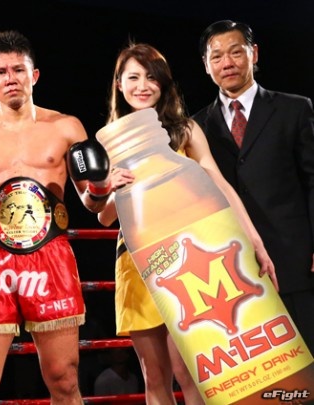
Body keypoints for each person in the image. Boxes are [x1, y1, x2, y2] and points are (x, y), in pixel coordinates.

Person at [97, 43, 276, 405]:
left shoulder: (184, 130)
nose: (143, 86)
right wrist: (111, 188)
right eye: (133, 77)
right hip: (137, 262)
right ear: (119, 83)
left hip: (188, 261)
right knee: (154, 377)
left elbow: (220, 184)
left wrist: (255, 241)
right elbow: (104, 217)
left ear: (163, 83)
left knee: (192, 373)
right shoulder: (110, 141)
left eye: (152, 77)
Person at [0, 30, 112, 405]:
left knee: (64, 379)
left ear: (34, 75)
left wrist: (101, 185)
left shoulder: (66, 127)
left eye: (18, 69)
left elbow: (92, 204)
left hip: (51, 256)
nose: (11, 78)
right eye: (1, 72)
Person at [192, 19, 314, 352]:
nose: (227, 63)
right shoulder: (196, 127)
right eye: (216, 56)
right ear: (206, 65)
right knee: (266, 373)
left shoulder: (294, 109)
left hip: (295, 262)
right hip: (234, 275)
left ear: (254, 54)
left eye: (235, 52)